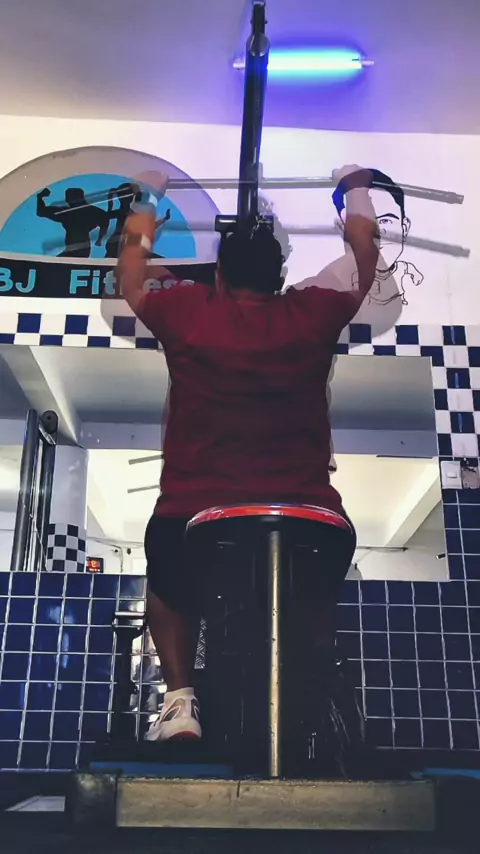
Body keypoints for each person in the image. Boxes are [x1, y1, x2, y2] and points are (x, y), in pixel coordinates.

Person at [115, 165, 379, 742]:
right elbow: (365, 258)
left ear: (219, 273)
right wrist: (354, 188)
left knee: (166, 580)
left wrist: (148, 196)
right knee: (310, 594)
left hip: (195, 519)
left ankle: (180, 703)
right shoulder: (312, 313)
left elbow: (130, 275)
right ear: (281, 275)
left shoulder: (189, 312)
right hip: (312, 521)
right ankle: (311, 690)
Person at [36, 187, 110, 257]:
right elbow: (105, 220)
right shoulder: (94, 212)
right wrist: (100, 238)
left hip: (78, 250)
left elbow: (41, 211)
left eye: (68, 199)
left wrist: (40, 197)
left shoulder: (68, 213)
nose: (67, 201)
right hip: (80, 250)